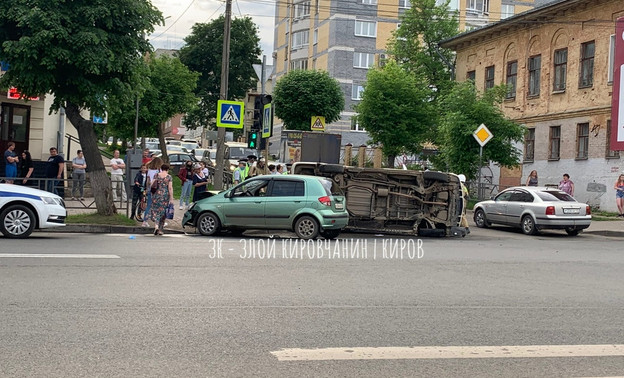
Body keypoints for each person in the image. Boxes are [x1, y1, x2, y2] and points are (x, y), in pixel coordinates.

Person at [148, 163, 174, 236]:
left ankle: (156, 226)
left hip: (156, 194)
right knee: (163, 212)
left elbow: (152, 183)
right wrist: (171, 198)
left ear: (161, 169)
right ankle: (160, 229)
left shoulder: (157, 175)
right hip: (165, 195)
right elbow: (170, 188)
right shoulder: (169, 177)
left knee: (156, 210)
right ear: (167, 169)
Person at [142, 156, 163, 227]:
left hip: (150, 189)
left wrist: (147, 188)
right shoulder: (159, 171)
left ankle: (145, 221)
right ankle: (157, 221)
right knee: (158, 206)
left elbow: (148, 181)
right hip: (157, 189)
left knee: (149, 205)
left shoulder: (149, 171)